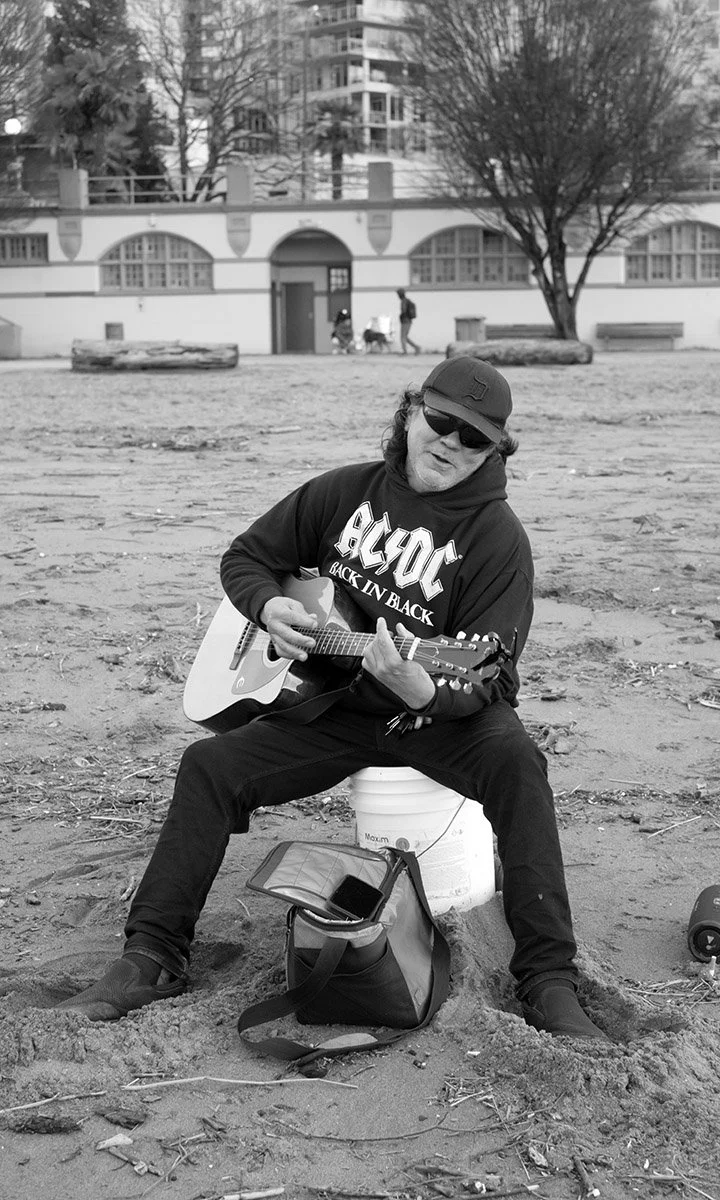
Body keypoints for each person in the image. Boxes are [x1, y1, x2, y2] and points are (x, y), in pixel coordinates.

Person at [57, 356, 606, 1040]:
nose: (450, 445)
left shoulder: (498, 540)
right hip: (333, 708)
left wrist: (427, 688)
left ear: (495, 451)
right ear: (411, 412)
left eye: (474, 440)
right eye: (440, 423)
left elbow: (491, 675)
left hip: (430, 717)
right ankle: (153, 956)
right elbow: (245, 558)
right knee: (209, 768)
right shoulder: (342, 493)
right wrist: (269, 608)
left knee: (517, 761)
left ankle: (548, 980)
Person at [396, 288, 421, 355]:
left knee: (402, 337)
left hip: (405, 321)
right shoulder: (407, 301)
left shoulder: (403, 301)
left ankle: (405, 352)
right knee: (405, 337)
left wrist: (400, 316)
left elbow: (403, 311)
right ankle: (416, 347)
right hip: (408, 321)